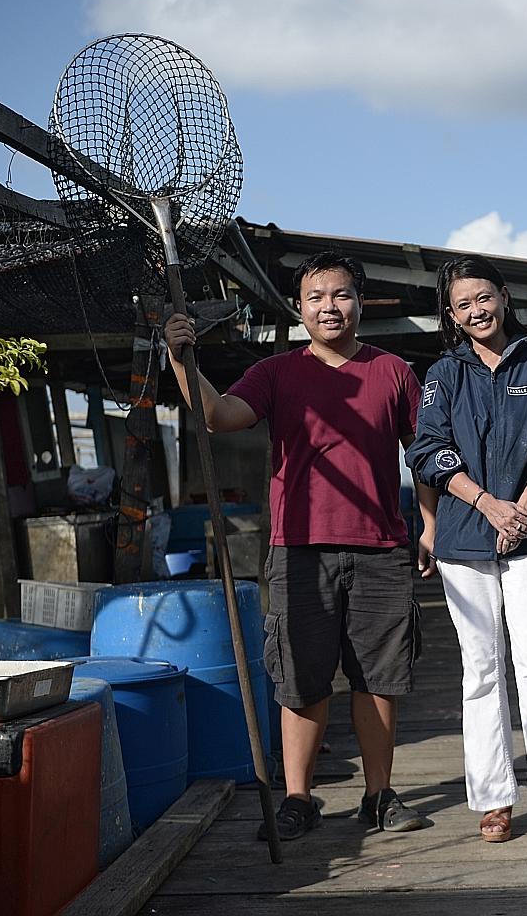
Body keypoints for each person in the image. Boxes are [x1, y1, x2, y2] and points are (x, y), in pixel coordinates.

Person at [163, 250, 436, 841]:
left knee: (378, 677)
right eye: (316, 297)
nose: (328, 307)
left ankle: (379, 795)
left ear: (360, 302)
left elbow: (426, 455)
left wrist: (429, 527)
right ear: (299, 307)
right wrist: (182, 361)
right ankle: (298, 799)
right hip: (298, 547)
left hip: (380, 545)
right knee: (300, 677)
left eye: (340, 295)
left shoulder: (393, 372)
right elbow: (220, 416)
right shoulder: (277, 372)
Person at [405, 254, 527, 851]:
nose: (476, 311)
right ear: (452, 315)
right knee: (480, 668)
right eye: (462, 305)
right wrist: (489, 505)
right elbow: (427, 451)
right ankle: (494, 798)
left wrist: (525, 508)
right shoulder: (443, 373)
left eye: (484, 298)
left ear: (504, 296)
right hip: (465, 537)